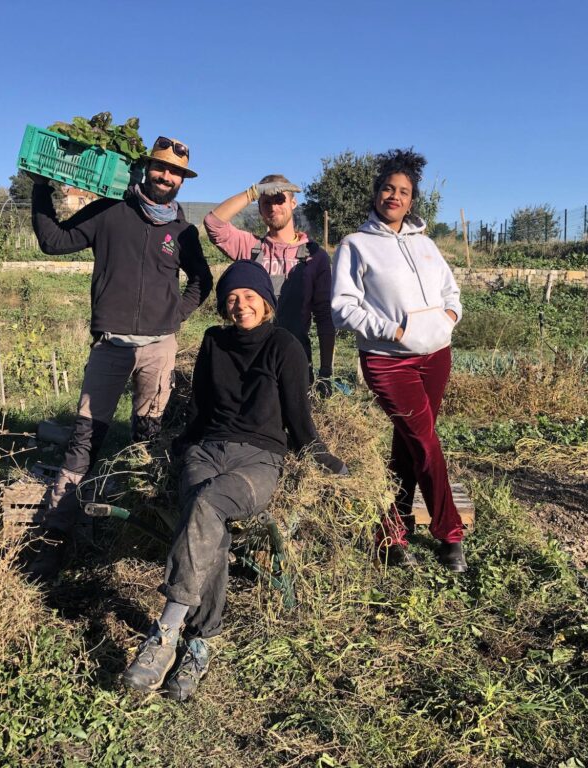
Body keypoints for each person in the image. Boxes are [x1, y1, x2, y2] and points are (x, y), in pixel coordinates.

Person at [122, 260, 347, 700]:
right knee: (210, 527)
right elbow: (201, 407)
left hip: (258, 460)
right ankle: (201, 644)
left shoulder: (286, 346)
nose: (239, 304)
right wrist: (181, 445)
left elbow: (299, 421)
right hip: (206, 450)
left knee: (206, 507)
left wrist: (325, 459)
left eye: (248, 296)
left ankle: (166, 632)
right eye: (231, 299)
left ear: (265, 302)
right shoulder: (213, 341)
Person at [25, 136, 213, 580]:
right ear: (146, 167)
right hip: (110, 346)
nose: (167, 177)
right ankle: (55, 537)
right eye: (161, 168)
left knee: (149, 439)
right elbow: (54, 241)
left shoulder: (182, 231)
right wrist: (40, 189)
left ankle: (140, 531)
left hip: (158, 349)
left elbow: (201, 281)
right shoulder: (111, 210)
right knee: (84, 439)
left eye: (176, 173)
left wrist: (174, 317)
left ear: (182, 180)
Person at [330, 149, 466, 572]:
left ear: (411, 201)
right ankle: (449, 533)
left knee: (410, 446)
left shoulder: (425, 245)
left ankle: (390, 532)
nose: (395, 196)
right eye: (388, 188)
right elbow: (343, 308)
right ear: (376, 194)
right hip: (389, 361)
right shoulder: (356, 245)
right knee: (425, 442)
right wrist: (396, 331)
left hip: (435, 357)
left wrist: (447, 319)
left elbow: (451, 293)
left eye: (403, 191)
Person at [204, 176, 335, 392]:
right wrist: (253, 193)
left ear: (293, 203)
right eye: (266, 202)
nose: (273, 207)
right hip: (250, 360)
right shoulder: (250, 247)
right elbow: (213, 224)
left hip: (295, 359)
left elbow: (324, 315)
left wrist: (326, 372)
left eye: (280, 200)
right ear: (259, 209)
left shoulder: (315, 256)